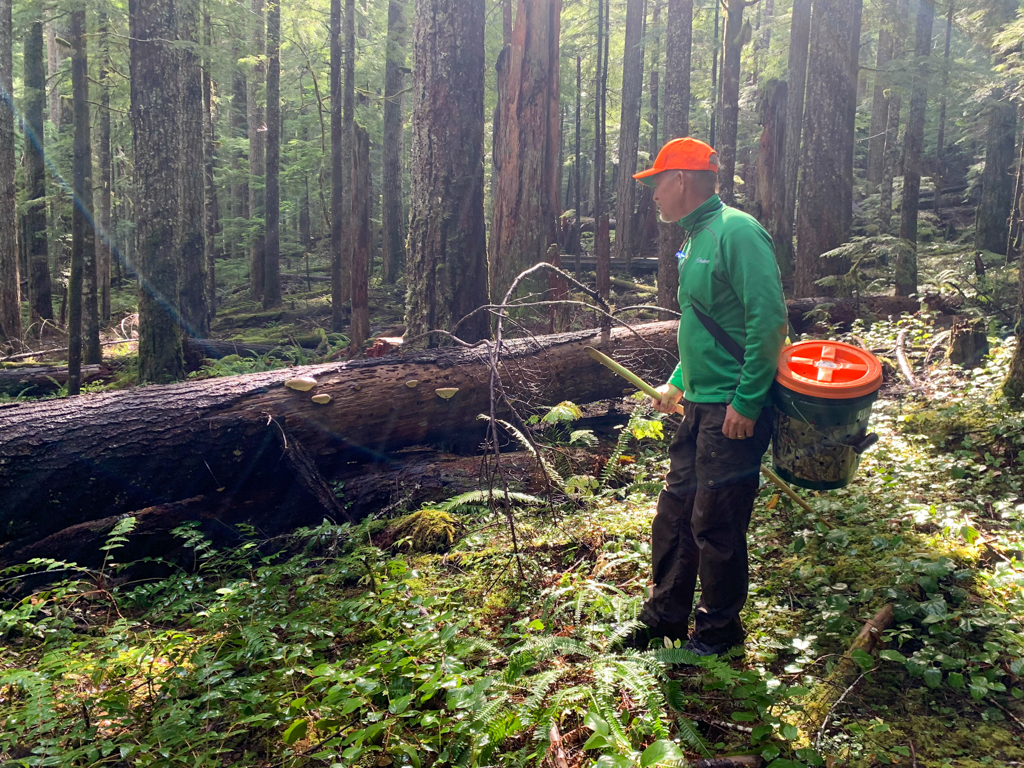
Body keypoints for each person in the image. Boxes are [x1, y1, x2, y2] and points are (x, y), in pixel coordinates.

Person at [626, 137, 788, 656]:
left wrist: (746, 401)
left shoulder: (737, 232)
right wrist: (678, 380)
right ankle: (664, 616)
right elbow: (706, 320)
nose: (652, 194)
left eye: (655, 183)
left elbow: (768, 321)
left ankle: (719, 637)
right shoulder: (694, 237)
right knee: (675, 511)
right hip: (699, 403)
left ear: (680, 180)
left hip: (731, 410)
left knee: (716, 524)